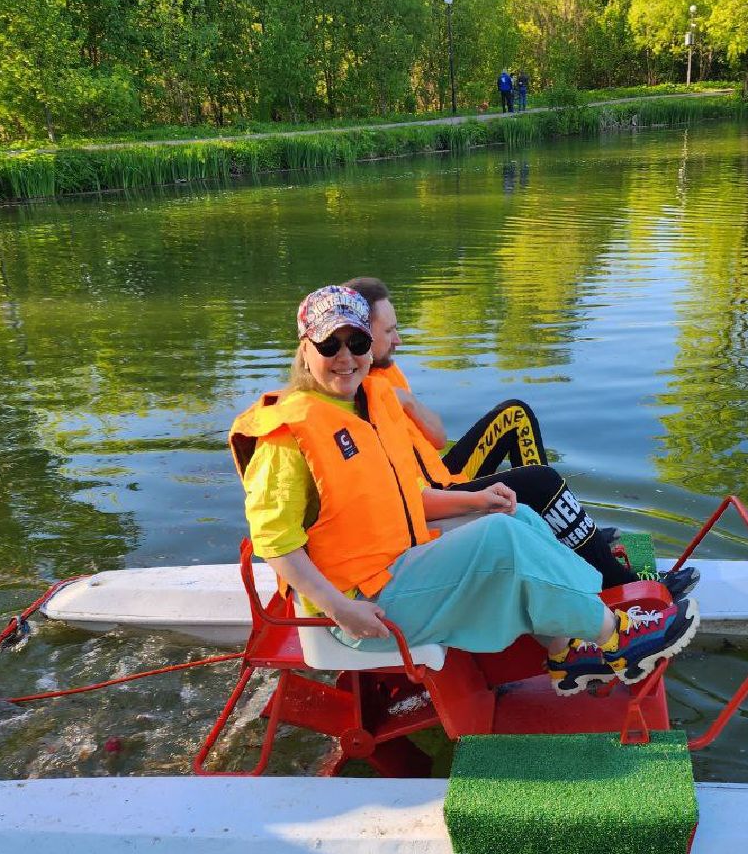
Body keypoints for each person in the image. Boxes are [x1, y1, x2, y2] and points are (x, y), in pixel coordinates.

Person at [229, 285, 699, 695]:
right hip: (361, 607)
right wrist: (342, 610)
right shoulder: (287, 436)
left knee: (515, 518)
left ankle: (567, 649)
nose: (345, 355)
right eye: (330, 343)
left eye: (357, 340)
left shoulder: (366, 405)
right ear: (305, 348)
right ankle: (618, 637)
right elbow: (276, 544)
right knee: (503, 540)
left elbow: (394, 502)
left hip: (397, 566)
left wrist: (477, 499)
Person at [345, 276, 698, 601]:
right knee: (540, 481)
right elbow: (403, 503)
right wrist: (480, 499)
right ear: (361, 335)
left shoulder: (386, 371)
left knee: (515, 415)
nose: (399, 339)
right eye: (389, 331)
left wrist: (406, 401)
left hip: (438, 474)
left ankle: (562, 533)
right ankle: (616, 583)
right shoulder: (355, 405)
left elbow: (436, 438)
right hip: (429, 501)